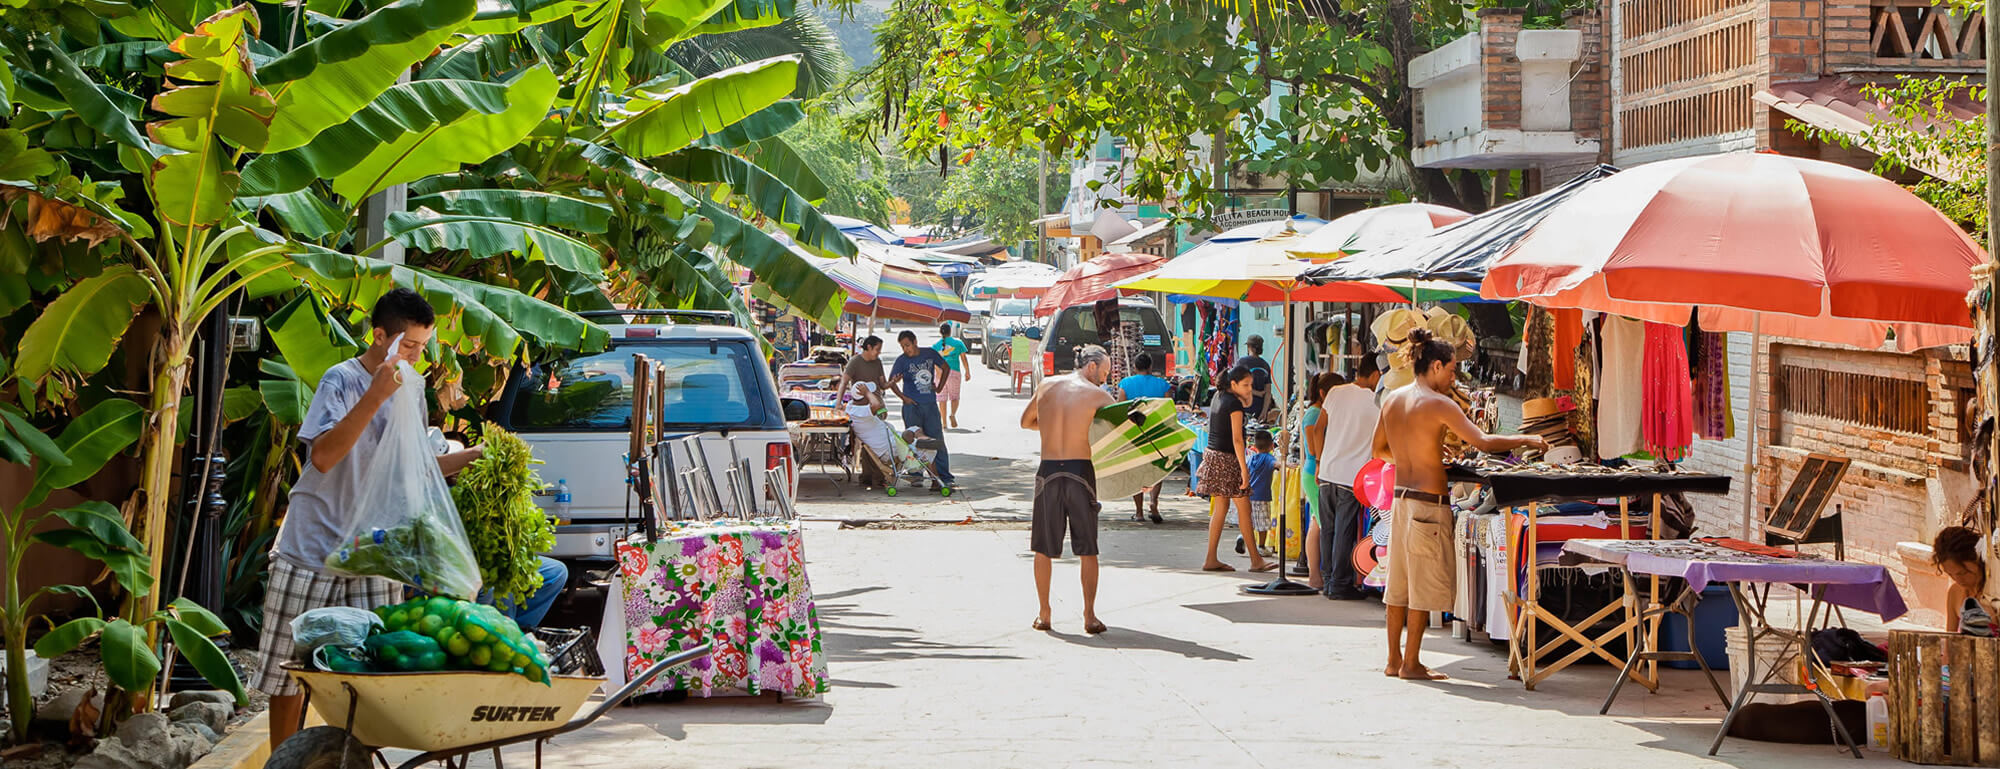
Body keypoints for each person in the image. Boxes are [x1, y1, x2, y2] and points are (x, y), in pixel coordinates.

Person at [253, 289, 486, 748]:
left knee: (374, 674)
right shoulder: (339, 381)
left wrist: (473, 457)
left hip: (373, 552)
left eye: (423, 347)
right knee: (288, 675)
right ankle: (282, 761)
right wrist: (377, 394)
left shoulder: (412, 393)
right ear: (379, 336)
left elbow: (412, 468)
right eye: (410, 347)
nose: (418, 358)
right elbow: (323, 456)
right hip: (312, 546)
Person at [1372, 329, 1545, 681]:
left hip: (1401, 501)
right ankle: (1412, 663)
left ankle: (1393, 660)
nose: (1453, 377)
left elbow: (1379, 451)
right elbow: (1482, 441)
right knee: (1419, 588)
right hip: (1428, 504)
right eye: (1451, 370)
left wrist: (1423, 455)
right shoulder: (1438, 403)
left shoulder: (1392, 398)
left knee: (1398, 585)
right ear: (1435, 366)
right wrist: (1527, 436)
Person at [1021, 344, 1116, 634]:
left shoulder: (1046, 384)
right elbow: (1116, 436)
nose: (1104, 378)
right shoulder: (1098, 395)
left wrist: (1052, 426)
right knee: (1088, 549)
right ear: (1091, 367)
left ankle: (1044, 613)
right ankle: (1089, 616)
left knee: (1042, 548)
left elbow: (1026, 422)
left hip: (1048, 471)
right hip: (1080, 472)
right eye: (1104, 372)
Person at [1315, 355, 1385, 600]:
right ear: (1377, 375)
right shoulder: (1379, 401)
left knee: (1329, 530)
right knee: (1344, 531)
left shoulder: (1335, 392)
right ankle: (1340, 584)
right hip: (1351, 476)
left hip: (1327, 472)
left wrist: (1318, 462)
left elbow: (1317, 429)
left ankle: (1328, 581)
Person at [1197, 366, 1274, 573]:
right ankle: (1256, 560)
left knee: (1220, 509)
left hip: (1214, 456)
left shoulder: (1219, 397)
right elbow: (1238, 440)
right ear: (1234, 384)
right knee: (1244, 510)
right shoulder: (1234, 405)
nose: (1250, 389)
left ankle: (1211, 558)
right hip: (1228, 459)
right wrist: (1244, 469)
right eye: (1246, 385)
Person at [889, 330, 955, 489]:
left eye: (907, 345)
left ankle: (943, 476)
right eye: (902, 346)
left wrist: (939, 388)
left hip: (930, 405)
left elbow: (946, 368)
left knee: (936, 439)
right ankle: (916, 475)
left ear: (915, 342)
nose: (906, 349)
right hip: (911, 406)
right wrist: (903, 398)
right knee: (914, 441)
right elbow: (891, 382)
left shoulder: (930, 354)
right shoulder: (902, 361)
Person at [1116, 353, 1174, 523]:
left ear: (1135, 367)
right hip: (1156, 433)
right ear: (1150, 367)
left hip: (1135, 434)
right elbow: (1169, 411)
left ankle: (1139, 512)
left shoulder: (1125, 384)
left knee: (1135, 472)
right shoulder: (1163, 385)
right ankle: (1154, 502)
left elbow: (1121, 410)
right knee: (1158, 469)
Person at [1295, 372, 1339, 590]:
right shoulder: (1314, 415)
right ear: (1323, 393)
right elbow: (1313, 448)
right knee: (1321, 523)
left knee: (1317, 522)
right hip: (1315, 472)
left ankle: (1316, 575)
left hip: (1317, 472)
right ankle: (1317, 574)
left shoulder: (1319, 412)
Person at [1934, 526, 1996, 636]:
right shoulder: (1955, 593)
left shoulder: (1995, 594)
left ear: (1977, 559)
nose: (1958, 580)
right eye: (1951, 575)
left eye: (1963, 573)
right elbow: (1950, 641)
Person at [846, 380, 895, 488]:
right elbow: (876, 405)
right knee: (916, 433)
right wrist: (867, 393)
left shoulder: (852, 407)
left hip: (887, 442)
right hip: (890, 447)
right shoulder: (861, 412)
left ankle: (869, 479)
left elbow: (880, 411)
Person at [934, 323, 972, 428]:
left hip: (940, 374)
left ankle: (944, 423)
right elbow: (964, 358)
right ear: (950, 331)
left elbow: (933, 362)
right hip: (954, 373)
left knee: (942, 399)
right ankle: (952, 414)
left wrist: (937, 373)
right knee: (954, 397)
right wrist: (967, 371)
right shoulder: (958, 343)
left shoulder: (935, 346)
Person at [1246, 430, 1278, 547]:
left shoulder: (1251, 459)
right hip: (1262, 496)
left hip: (1248, 495)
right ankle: (1261, 546)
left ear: (1255, 446)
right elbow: (1276, 464)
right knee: (1262, 524)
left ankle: (1243, 539)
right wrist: (1287, 465)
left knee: (1250, 521)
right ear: (1271, 446)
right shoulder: (1268, 458)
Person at [1236, 335, 1275, 420]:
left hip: (1244, 407)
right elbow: (1268, 392)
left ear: (1249, 347)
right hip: (1260, 410)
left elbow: (1236, 386)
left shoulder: (1242, 362)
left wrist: (1257, 393)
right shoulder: (1265, 365)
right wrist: (1264, 412)